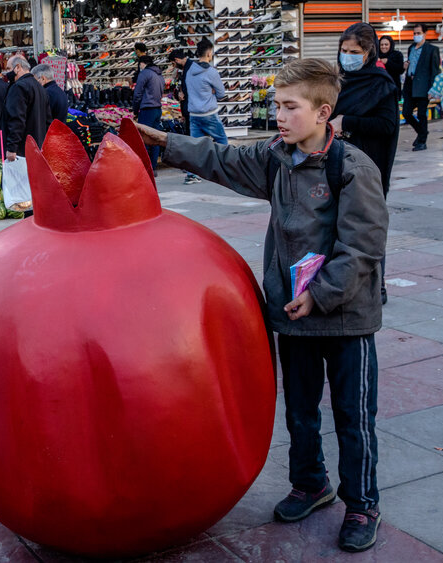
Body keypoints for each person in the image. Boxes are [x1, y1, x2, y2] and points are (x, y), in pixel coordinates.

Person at [135, 59, 388, 553]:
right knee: (299, 413)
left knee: (353, 418)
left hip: (344, 319)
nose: (280, 115)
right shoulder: (276, 157)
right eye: (276, 105)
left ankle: (362, 504)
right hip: (292, 316)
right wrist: (165, 142)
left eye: (290, 107)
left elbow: (362, 247)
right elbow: (224, 160)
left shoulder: (352, 168)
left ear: (322, 112)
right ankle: (311, 484)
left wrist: (319, 294)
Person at [330, 23, 398, 305]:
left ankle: (375, 286)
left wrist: (346, 122)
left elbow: (387, 125)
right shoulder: (339, 80)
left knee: (367, 228)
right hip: (336, 165)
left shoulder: (381, 84)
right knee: (338, 228)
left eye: (354, 51)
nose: (347, 56)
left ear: (369, 52)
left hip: (368, 166)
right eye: (344, 50)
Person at [183, 39, 228, 183]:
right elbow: (221, 94)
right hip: (209, 113)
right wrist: (212, 92)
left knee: (196, 145)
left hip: (194, 114)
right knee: (221, 140)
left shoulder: (189, 71)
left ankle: (192, 174)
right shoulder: (211, 72)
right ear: (209, 53)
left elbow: (189, 90)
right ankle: (228, 168)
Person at [1, 54, 50, 160]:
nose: (7, 72)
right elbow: (48, 120)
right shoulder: (40, 88)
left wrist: (12, 148)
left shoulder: (18, 87)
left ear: (18, 67)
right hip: (37, 147)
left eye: (9, 68)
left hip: (22, 150)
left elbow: (17, 119)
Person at [402, 23, 441, 151]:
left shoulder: (432, 49)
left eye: (418, 33)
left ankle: (422, 142)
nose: (416, 35)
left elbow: (435, 71)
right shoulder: (411, 48)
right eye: (414, 33)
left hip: (424, 87)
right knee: (406, 112)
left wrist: (432, 89)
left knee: (421, 114)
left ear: (425, 34)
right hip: (410, 85)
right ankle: (422, 132)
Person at [133, 55, 166, 172]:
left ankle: (145, 168)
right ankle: (153, 167)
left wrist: (135, 110)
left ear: (142, 63)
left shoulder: (145, 73)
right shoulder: (159, 74)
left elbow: (137, 93)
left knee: (144, 139)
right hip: (158, 108)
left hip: (147, 109)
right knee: (156, 139)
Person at [377, 36, 405, 101]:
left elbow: (400, 69)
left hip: (393, 88)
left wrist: (388, 62)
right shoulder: (376, 55)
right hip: (379, 90)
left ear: (391, 44)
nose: (383, 47)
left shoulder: (397, 54)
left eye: (386, 44)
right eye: (381, 44)